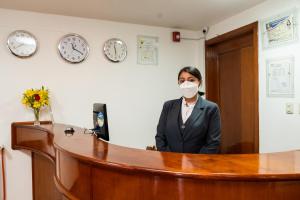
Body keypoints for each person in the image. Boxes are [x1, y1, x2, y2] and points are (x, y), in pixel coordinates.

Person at [155, 66, 221, 154]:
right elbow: (160, 137)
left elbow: (213, 142)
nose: (186, 83)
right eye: (182, 80)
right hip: (170, 162)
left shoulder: (211, 108)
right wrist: (169, 158)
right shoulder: (168, 106)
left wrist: (195, 162)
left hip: (198, 164)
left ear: (199, 82)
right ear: (178, 83)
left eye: (191, 80)